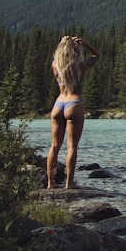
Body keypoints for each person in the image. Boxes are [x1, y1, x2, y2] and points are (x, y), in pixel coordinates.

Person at [46, 35, 99, 189]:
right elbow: (97, 55)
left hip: (58, 104)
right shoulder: (80, 65)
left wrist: (63, 42)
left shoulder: (55, 65)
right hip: (74, 104)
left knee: (54, 146)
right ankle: (69, 183)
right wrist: (85, 43)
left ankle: (51, 183)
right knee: (72, 147)